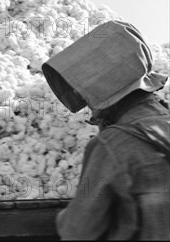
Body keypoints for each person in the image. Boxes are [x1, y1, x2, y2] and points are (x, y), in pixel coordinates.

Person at [42, 20, 170, 240]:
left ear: (99, 91)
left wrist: (63, 218)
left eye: (85, 92)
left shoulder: (110, 146)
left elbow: (78, 229)